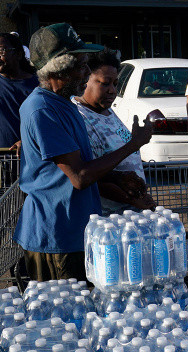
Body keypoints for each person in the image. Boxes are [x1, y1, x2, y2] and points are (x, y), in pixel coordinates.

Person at [14, 23, 153, 281]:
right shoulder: (42, 109)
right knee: (63, 316)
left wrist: (119, 179)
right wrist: (134, 145)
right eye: (81, 66)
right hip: (56, 238)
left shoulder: (63, 104)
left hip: (78, 233)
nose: (86, 72)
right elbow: (78, 177)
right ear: (59, 70)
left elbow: (83, 165)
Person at [72, 49, 156, 214]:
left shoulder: (106, 110)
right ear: (85, 80)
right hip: (107, 221)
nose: (112, 90)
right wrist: (132, 199)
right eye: (105, 83)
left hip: (131, 215)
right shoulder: (80, 118)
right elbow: (92, 177)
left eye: (115, 84)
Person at [0, 32, 38, 189]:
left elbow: (49, 121)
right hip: (2, 161)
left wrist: (27, 141)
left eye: (1, 50)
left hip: (31, 161)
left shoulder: (38, 85)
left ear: (18, 54)